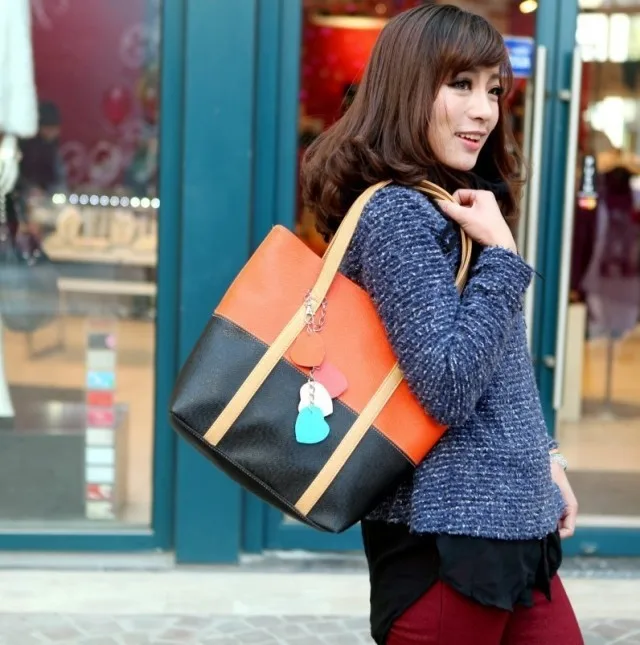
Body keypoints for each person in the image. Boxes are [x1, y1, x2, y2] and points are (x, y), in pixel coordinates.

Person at [300, 5, 582, 645]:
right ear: (406, 88)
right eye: (460, 85)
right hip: (448, 540)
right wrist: (503, 257)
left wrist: (544, 458)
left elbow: (500, 366)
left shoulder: (452, 205)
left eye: (494, 90)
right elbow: (448, 384)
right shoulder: (398, 214)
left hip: (508, 521)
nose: (484, 111)